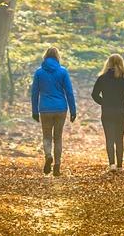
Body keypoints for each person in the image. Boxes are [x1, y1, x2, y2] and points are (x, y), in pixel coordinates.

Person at [30, 47, 77, 176]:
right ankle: (57, 165)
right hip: (61, 108)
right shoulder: (63, 71)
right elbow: (69, 92)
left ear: (45, 57)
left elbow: (34, 93)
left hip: (45, 109)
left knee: (46, 136)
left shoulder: (39, 73)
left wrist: (34, 110)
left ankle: (48, 156)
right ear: (57, 57)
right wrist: (73, 110)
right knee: (58, 138)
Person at [91, 54, 124, 172]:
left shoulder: (102, 78)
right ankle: (120, 166)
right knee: (119, 139)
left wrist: (103, 102)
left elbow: (94, 94)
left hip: (107, 112)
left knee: (109, 138)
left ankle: (112, 165)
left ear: (108, 63)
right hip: (121, 112)